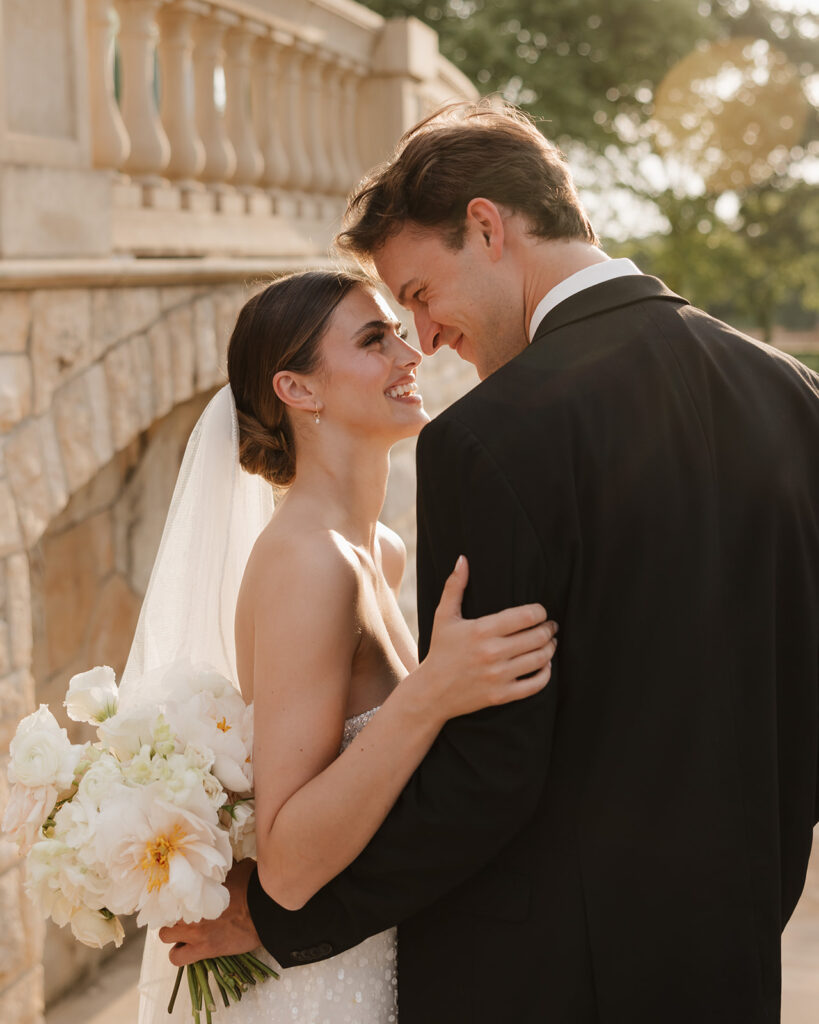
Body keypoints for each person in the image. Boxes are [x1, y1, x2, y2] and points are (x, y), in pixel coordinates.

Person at [162, 103, 819, 1023]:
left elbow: (488, 776)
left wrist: (280, 917)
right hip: (733, 962)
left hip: (540, 983)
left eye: (420, 296)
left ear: (485, 226)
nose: (423, 339)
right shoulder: (790, 395)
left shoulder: (494, 437)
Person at [137, 268, 556, 1023]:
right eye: (374, 340)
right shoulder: (308, 563)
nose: (410, 353)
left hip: (382, 953)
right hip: (317, 990)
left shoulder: (379, 550)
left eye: (400, 330)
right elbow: (289, 864)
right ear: (299, 391)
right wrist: (432, 692)